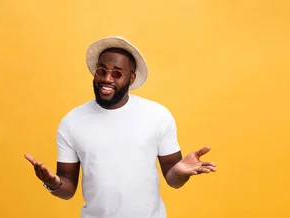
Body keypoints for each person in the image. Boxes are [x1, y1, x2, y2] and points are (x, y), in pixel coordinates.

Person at [24, 36, 217, 218]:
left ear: (131, 79)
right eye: (101, 71)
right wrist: (52, 183)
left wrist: (179, 172)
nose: (107, 79)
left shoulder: (157, 115)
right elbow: (67, 189)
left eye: (117, 73)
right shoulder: (72, 121)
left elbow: (173, 179)